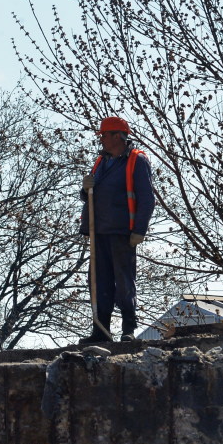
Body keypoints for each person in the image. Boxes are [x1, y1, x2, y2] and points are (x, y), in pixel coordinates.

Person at [79, 116, 155, 343]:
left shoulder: (136, 161)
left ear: (116, 136)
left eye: (104, 135)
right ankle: (101, 331)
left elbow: (146, 198)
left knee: (123, 282)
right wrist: (85, 190)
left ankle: (128, 330)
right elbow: (92, 196)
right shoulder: (101, 162)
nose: (101, 139)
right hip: (98, 230)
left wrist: (139, 230)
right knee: (98, 281)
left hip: (122, 232)